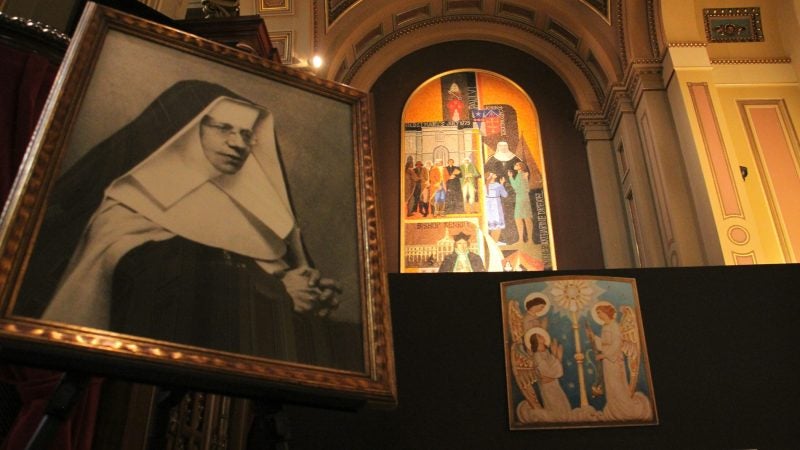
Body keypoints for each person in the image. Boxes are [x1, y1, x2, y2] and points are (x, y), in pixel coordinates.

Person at [19, 80, 341, 361]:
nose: (239, 144)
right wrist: (276, 293)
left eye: (246, 134)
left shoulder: (245, 209)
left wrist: (308, 289)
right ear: (188, 130)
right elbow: (148, 283)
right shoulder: (132, 200)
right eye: (224, 128)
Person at [592, 302, 653, 421]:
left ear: (605, 312)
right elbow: (605, 344)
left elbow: (617, 344)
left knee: (617, 387)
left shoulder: (614, 326)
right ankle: (614, 412)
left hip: (614, 361)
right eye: (597, 313)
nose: (598, 315)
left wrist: (604, 355)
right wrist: (595, 340)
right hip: (607, 362)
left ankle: (626, 412)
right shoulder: (605, 326)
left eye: (599, 312)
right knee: (610, 387)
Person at [517, 328, 572, 422]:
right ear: (536, 341)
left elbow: (555, 372)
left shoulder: (546, 352)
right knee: (556, 410)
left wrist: (555, 356)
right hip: (548, 387)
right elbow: (549, 372)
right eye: (539, 336)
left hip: (554, 384)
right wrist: (558, 357)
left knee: (562, 406)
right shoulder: (537, 356)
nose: (542, 336)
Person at [508, 161, 534, 244]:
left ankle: (523, 240)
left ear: (521, 167)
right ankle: (527, 240)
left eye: (517, 165)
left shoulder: (520, 174)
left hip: (521, 197)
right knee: (526, 218)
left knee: (520, 218)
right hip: (523, 196)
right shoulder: (523, 174)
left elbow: (515, 186)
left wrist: (511, 177)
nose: (515, 165)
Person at [484, 172, 508, 243]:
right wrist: (502, 184)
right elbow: (505, 195)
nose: (495, 174)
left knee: (492, 226)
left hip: (488, 207)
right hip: (496, 206)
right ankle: (495, 241)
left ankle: (493, 242)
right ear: (490, 177)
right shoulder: (497, 185)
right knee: (498, 226)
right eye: (493, 174)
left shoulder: (485, 185)